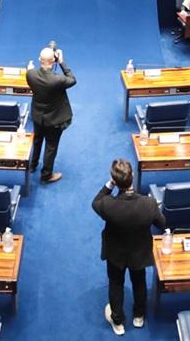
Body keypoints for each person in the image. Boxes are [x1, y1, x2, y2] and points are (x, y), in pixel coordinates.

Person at [92, 158, 166, 336]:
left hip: (115, 254)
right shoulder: (149, 203)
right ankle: (139, 316)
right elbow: (162, 223)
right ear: (132, 176)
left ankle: (118, 322)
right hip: (139, 253)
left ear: (116, 182)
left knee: (116, 284)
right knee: (139, 283)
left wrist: (109, 185)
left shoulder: (108, 205)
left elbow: (95, 202)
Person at [26, 45, 75, 184]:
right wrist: (62, 62)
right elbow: (72, 79)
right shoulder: (57, 80)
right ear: (53, 61)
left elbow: (31, 71)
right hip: (54, 120)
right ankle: (46, 175)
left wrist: (31, 67)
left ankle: (32, 165)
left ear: (39, 59)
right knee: (51, 147)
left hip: (37, 116)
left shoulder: (30, 74)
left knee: (37, 141)